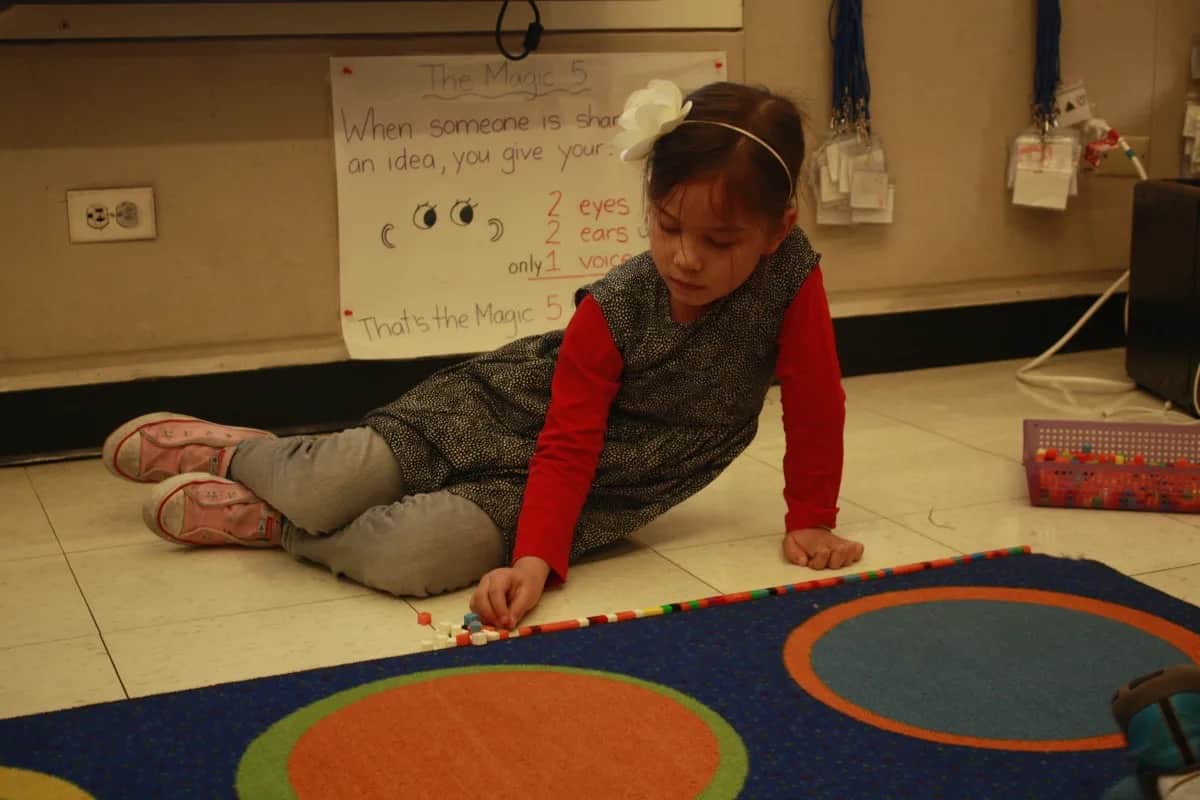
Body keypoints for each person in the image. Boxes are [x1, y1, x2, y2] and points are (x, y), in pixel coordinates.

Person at [102, 79, 863, 630]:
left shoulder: (793, 280)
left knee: (412, 556)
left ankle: (274, 524)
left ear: (778, 229)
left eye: (719, 240)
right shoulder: (617, 305)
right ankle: (247, 459)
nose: (685, 257)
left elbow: (816, 402)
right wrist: (536, 556)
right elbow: (567, 436)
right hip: (503, 413)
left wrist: (811, 518)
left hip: (607, 484)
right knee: (334, 479)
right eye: (667, 227)